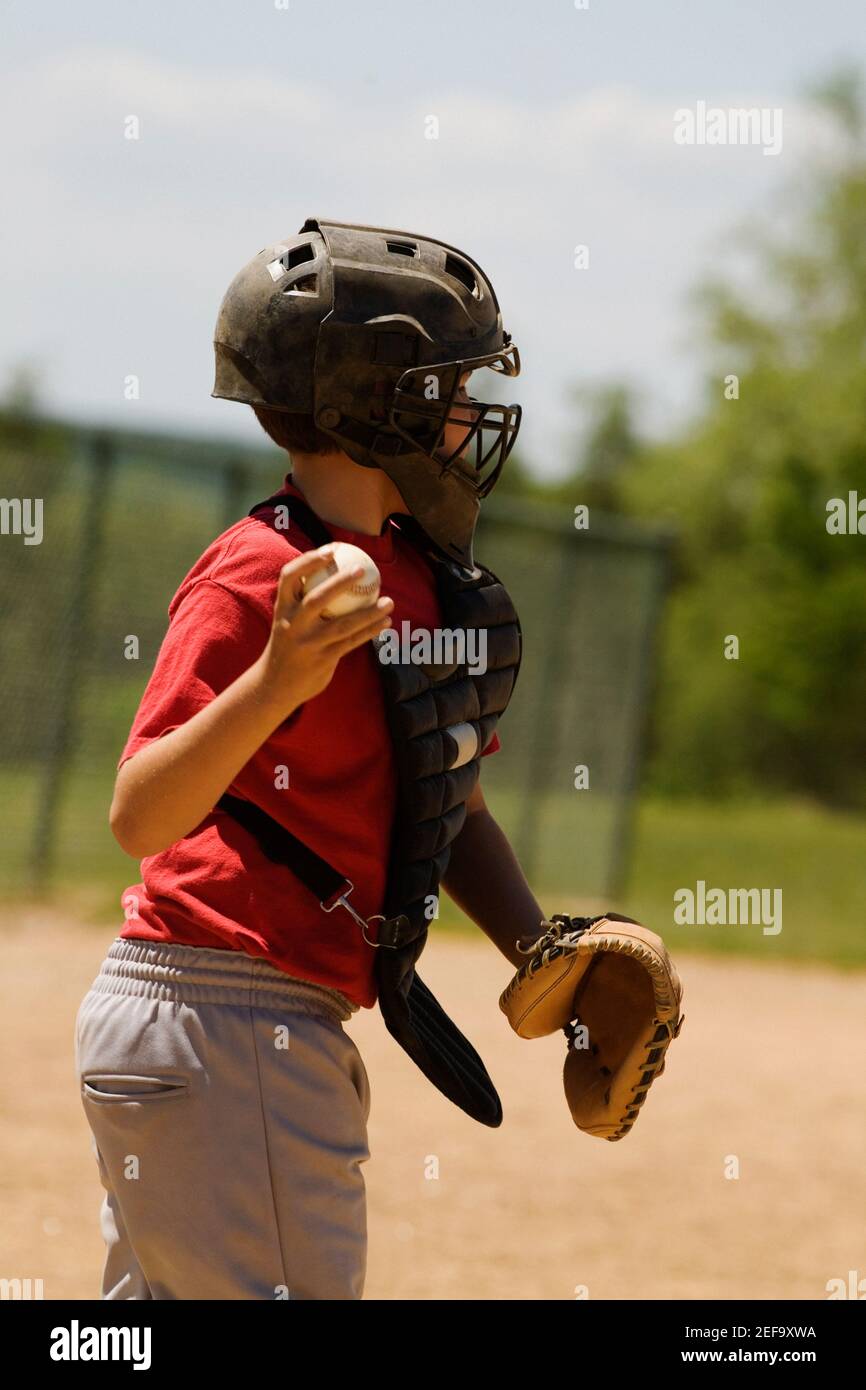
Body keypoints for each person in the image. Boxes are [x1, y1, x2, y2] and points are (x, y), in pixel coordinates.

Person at [74, 218, 546, 1300]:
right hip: (223, 1007)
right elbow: (141, 814)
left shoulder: (417, 581)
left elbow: (448, 802)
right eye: (451, 385)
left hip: (260, 1026)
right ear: (383, 407)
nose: (474, 412)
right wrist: (275, 681)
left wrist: (538, 949)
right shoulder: (259, 574)